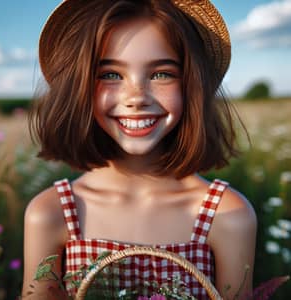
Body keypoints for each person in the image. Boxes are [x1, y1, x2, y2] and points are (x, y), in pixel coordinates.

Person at [22, 0, 257, 299]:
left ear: (191, 85)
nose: (136, 98)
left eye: (161, 74)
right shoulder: (51, 213)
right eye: (110, 74)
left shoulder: (227, 214)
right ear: (79, 87)